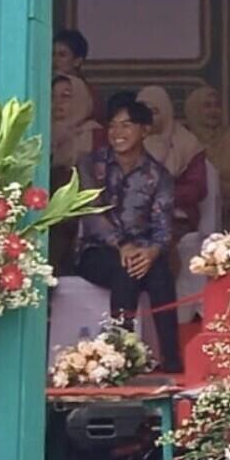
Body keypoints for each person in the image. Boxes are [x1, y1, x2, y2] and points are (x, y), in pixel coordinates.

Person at [77, 100, 182, 371]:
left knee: (160, 274)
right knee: (125, 271)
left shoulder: (158, 175)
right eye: (112, 125)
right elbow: (91, 216)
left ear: (144, 130)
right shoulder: (91, 165)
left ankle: (172, 362)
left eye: (126, 125)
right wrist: (121, 245)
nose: (117, 132)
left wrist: (152, 252)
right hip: (96, 252)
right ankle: (119, 357)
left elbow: (163, 226)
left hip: (142, 252)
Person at [137, 86, 208, 239]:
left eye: (154, 112)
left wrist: (161, 197)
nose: (148, 117)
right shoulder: (128, 140)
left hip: (176, 216)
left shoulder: (187, 144)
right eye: (143, 112)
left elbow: (197, 188)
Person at [184, 85, 230, 227]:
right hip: (193, 215)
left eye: (217, 105)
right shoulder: (185, 140)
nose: (213, 111)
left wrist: (228, 204)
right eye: (207, 106)